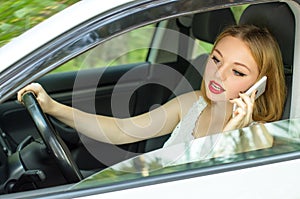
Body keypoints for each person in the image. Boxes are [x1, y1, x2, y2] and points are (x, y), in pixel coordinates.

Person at [17, 25, 286, 148]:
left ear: (260, 84)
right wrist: (52, 107)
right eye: (216, 59)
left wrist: (231, 135)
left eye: (238, 71)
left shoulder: (260, 138)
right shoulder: (193, 103)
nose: (218, 74)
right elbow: (122, 131)